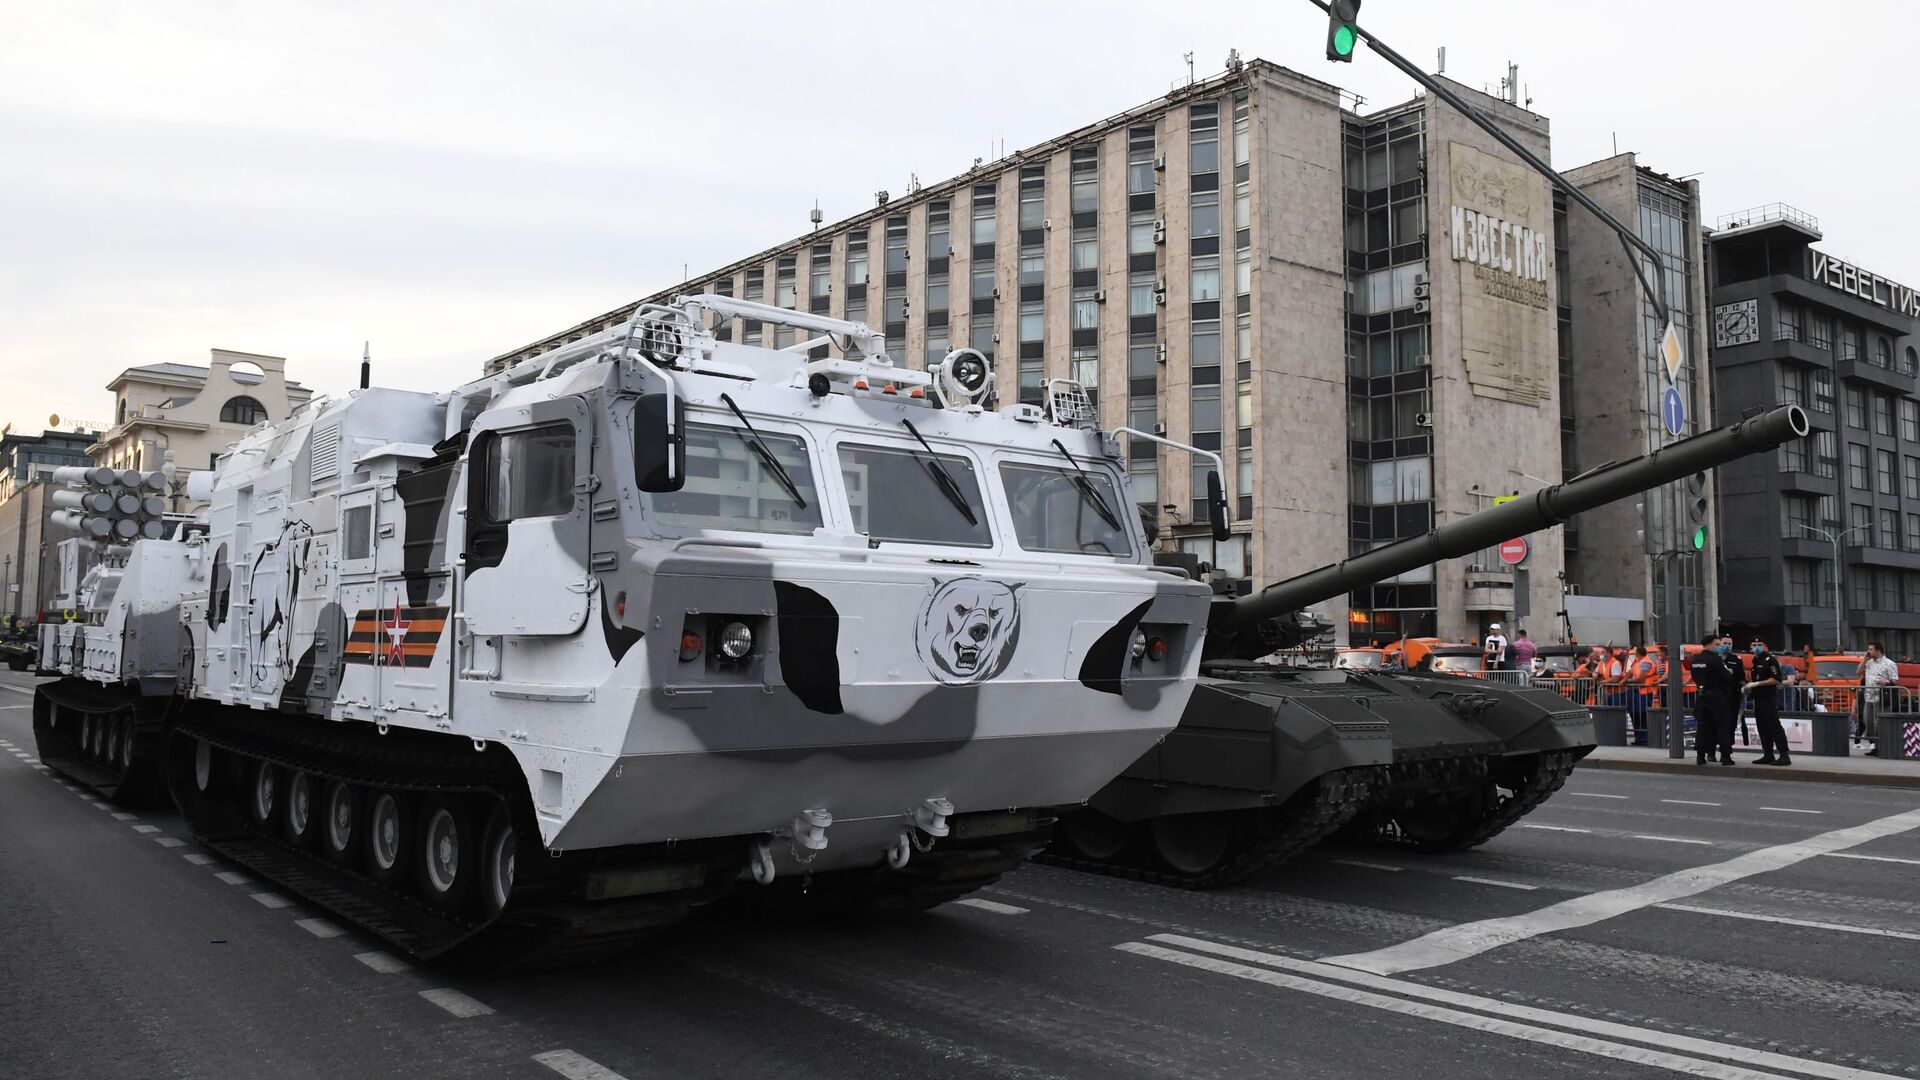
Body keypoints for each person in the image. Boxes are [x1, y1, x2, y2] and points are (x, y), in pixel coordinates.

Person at [1689, 633, 1738, 765]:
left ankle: (1700, 756)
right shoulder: (1715, 660)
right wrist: (1729, 674)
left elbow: (1694, 677)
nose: (1719, 647)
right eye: (1717, 644)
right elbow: (1727, 678)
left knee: (1702, 727)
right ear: (1709, 645)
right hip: (1717, 696)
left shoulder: (1696, 660)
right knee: (1722, 726)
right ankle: (1726, 756)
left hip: (1701, 696)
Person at [1743, 637, 1789, 766]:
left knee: (1774, 725)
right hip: (1758, 698)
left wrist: (1757, 683)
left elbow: (1776, 679)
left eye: (1759, 644)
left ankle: (1784, 755)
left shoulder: (1770, 659)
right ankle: (1768, 754)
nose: (1757, 647)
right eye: (1754, 645)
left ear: (1764, 645)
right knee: (1762, 727)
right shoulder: (1756, 660)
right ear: (1750, 646)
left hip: (1768, 698)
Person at [1858, 641, 1899, 756]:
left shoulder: (1889, 663)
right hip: (1869, 697)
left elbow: (1895, 680)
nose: (1869, 651)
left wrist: (1886, 682)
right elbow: (1858, 672)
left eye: (1871, 649)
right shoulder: (1869, 662)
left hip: (1881, 698)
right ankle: (1877, 745)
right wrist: (1864, 660)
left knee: (1879, 723)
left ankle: (1883, 746)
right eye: (1868, 649)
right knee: (1868, 722)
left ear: (1878, 650)